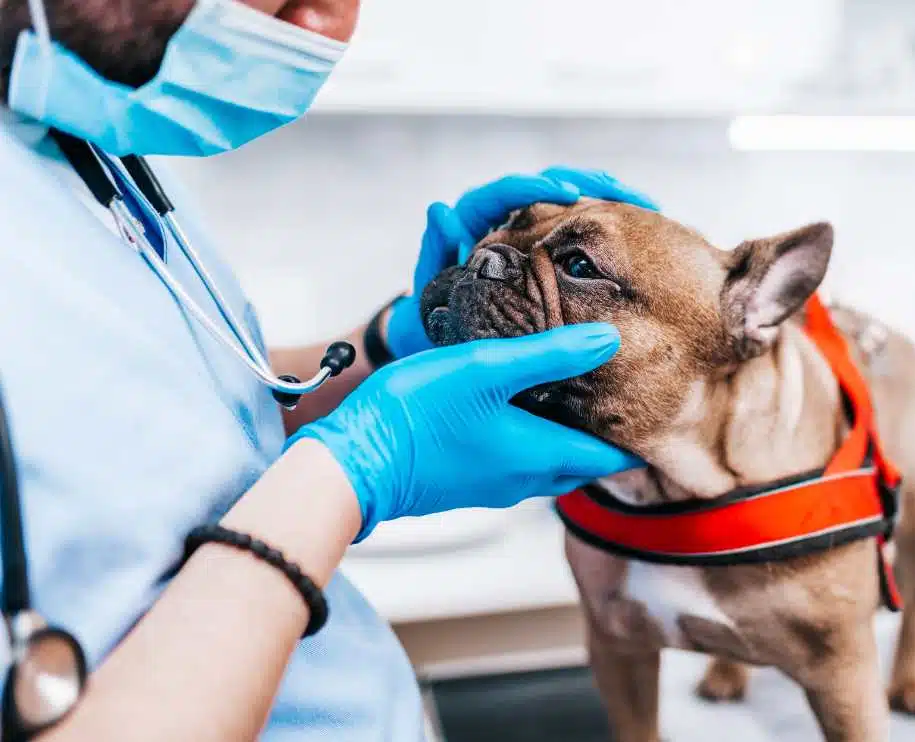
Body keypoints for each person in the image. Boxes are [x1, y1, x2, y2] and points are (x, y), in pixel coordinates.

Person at [0, 1, 654, 739]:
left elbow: (184, 412)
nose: (323, 27)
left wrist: (388, 345)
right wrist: (354, 472)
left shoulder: (87, 143)